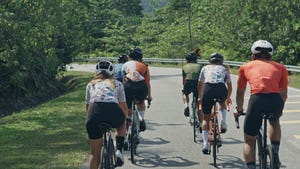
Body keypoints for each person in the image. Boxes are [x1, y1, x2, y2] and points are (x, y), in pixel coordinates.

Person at [233, 40, 288, 169]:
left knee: (249, 139)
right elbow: (283, 94)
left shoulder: (245, 67)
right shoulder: (281, 67)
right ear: (271, 54)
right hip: (276, 100)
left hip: (257, 100)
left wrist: (239, 109)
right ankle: (275, 151)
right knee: (274, 121)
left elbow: (240, 93)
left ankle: (251, 166)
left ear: (253, 54)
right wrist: (278, 108)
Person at [85, 61, 128, 169]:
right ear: (112, 72)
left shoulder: (91, 84)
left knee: (95, 154)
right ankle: (119, 149)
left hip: (94, 112)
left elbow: (88, 107)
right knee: (122, 123)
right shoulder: (117, 83)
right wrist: (126, 118)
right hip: (113, 111)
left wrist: (89, 121)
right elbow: (123, 106)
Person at [198, 53, 232, 154]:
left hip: (208, 89)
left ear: (210, 61)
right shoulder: (225, 69)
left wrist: (201, 96)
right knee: (222, 104)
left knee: (206, 118)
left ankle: (205, 144)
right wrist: (228, 98)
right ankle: (224, 122)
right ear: (221, 61)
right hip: (221, 89)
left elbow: (200, 84)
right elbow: (230, 86)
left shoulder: (205, 68)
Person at [122, 47, 152, 132]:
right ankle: (141, 118)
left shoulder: (125, 65)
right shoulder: (144, 66)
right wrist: (149, 97)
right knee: (140, 102)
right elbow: (147, 83)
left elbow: (123, 79)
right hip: (141, 87)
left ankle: (128, 121)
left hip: (128, 86)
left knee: (128, 104)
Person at [182, 50, 203, 126]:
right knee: (198, 102)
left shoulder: (184, 66)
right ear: (196, 59)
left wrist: (183, 87)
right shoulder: (200, 66)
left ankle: (186, 106)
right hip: (197, 83)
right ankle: (201, 123)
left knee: (185, 94)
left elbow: (184, 79)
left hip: (188, 82)